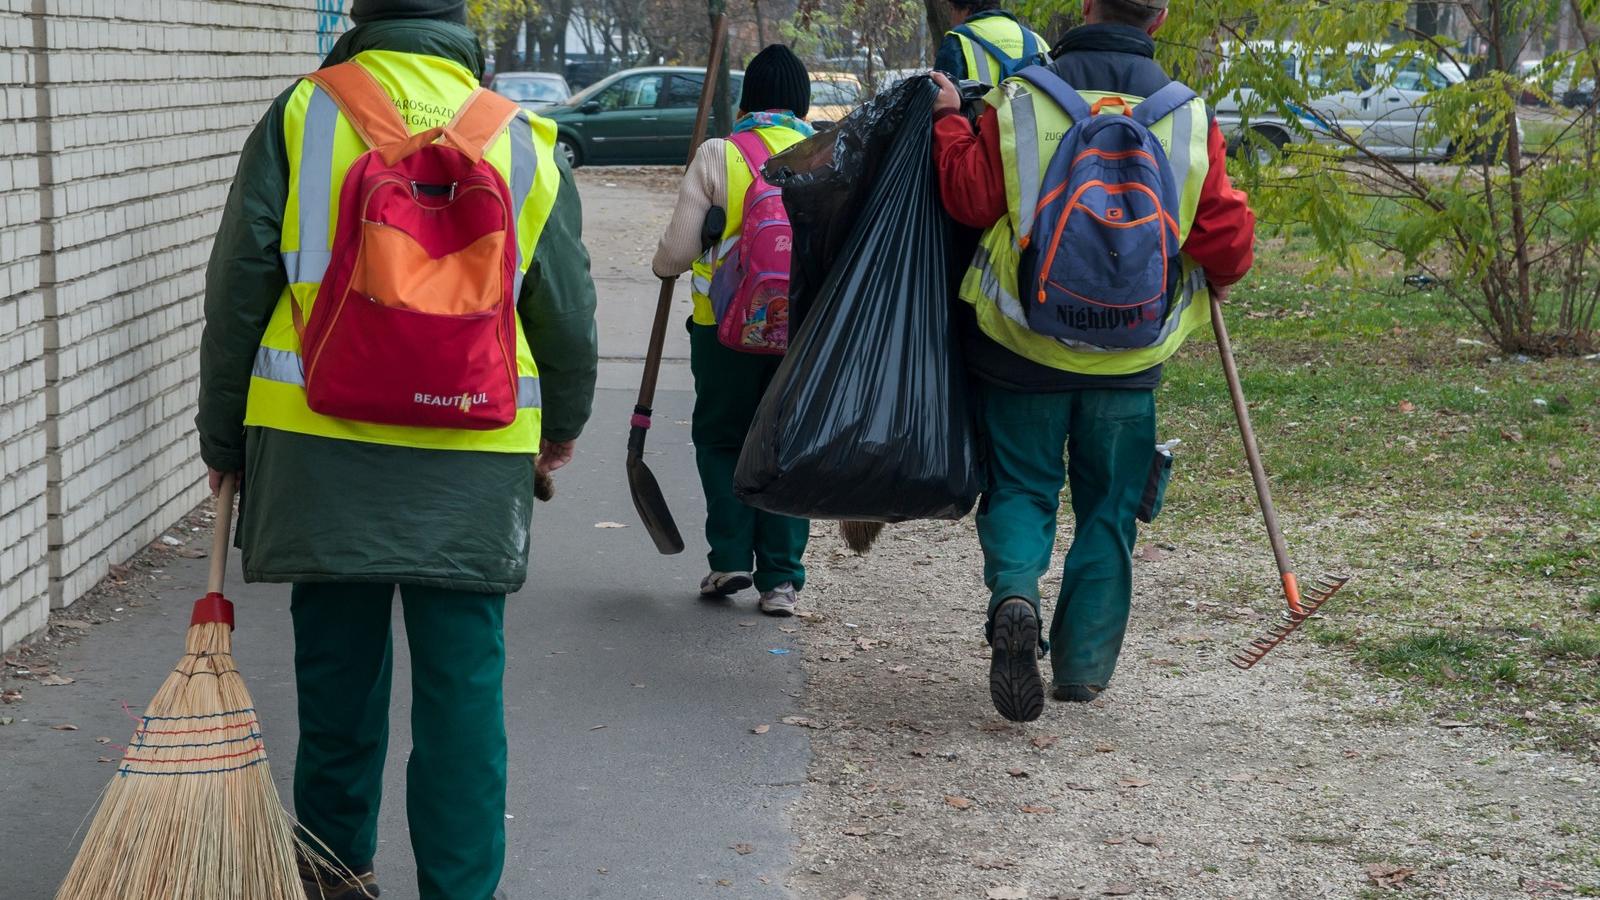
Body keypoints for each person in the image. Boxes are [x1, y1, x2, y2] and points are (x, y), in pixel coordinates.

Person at [195, 0, 599, 896]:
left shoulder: (306, 111)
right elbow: (564, 304)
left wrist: (224, 435)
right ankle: (458, 888)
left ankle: (335, 869)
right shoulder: (522, 135)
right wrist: (561, 423)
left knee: (337, 669)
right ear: (460, 27)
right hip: (474, 445)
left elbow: (240, 280)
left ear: (365, 16)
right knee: (463, 692)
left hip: (316, 440)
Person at [930, 0, 1256, 722]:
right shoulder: (1189, 116)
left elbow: (968, 197)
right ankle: (1081, 667)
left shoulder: (1023, 97)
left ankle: (1015, 592)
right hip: (1131, 355)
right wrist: (1218, 273)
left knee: (1021, 487)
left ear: (1084, 9)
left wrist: (950, 121)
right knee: (1109, 507)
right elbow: (1226, 239)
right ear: (1160, 18)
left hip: (1021, 346)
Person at [652, 45, 815, 617]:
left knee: (723, 440)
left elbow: (674, 256)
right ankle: (781, 581)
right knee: (788, 445)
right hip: (805, 335)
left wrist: (670, 263)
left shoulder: (721, 154)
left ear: (748, 100)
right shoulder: (831, 154)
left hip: (722, 334)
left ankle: (729, 559)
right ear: (803, 100)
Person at [934, 0, 1052, 84]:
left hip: (985, 119)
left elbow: (943, 105)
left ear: (966, 10)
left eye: (952, 10)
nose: (951, 19)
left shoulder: (958, 40)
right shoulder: (1038, 40)